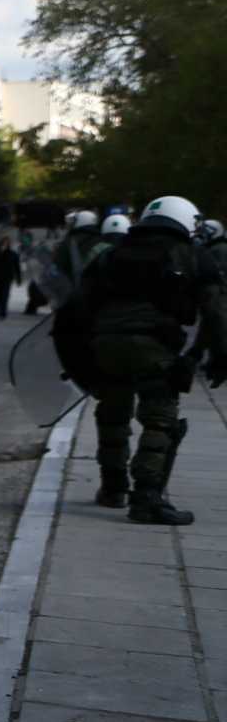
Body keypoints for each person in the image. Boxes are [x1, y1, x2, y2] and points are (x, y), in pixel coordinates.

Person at [74, 196, 227, 524]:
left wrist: (83, 360)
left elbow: (78, 307)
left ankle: (113, 488)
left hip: (105, 345)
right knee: (160, 419)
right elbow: (214, 310)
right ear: (186, 221)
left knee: (113, 414)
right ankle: (146, 498)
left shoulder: (111, 256)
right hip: (153, 346)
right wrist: (217, 355)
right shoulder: (193, 255)